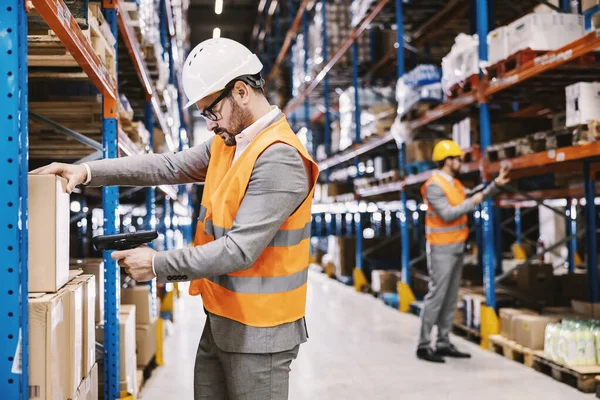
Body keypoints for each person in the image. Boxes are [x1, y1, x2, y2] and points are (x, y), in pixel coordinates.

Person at [32, 38, 319, 399]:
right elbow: (166, 165)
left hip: (261, 334)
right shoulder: (231, 143)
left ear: (241, 91)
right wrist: (86, 171)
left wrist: (156, 265)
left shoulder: (280, 157)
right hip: (222, 318)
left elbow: (237, 251)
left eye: (211, 113)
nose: (211, 125)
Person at [416, 140, 510, 363]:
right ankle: (423, 345)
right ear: (447, 161)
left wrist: (495, 185)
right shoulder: (434, 185)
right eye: (458, 158)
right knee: (437, 296)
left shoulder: (454, 184)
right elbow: (448, 214)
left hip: (456, 246)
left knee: (449, 298)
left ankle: (443, 342)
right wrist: (476, 200)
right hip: (441, 248)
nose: (460, 162)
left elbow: (473, 194)